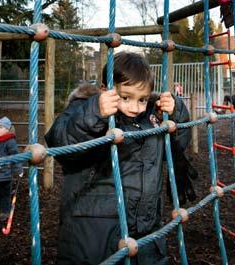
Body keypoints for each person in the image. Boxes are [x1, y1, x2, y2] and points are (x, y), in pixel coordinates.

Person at [45, 51, 196, 265]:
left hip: (146, 231)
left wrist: (176, 114)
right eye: (126, 97)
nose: (135, 107)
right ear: (105, 91)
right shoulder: (85, 110)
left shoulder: (151, 119)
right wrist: (94, 113)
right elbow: (61, 141)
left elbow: (176, 147)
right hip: (94, 234)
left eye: (142, 99)